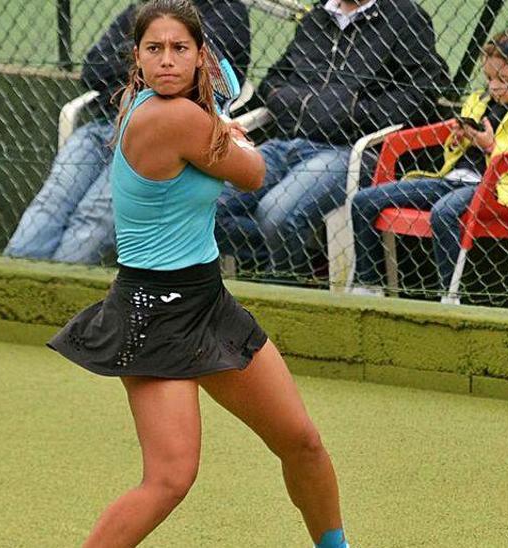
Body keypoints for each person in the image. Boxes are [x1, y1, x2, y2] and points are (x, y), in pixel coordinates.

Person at [46, 2, 349, 547]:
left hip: (207, 301)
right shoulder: (172, 117)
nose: (167, 61)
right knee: (169, 479)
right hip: (153, 314)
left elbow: (217, 148)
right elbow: (253, 173)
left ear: (199, 56)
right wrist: (228, 133)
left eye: (179, 49)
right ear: (136, 61)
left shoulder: (179, 112)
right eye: (154, 50)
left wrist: (218, 128)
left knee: (302, 442)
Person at [5, 0, 250, 265]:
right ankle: (9, 282)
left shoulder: (228, 11)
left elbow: (191, 78)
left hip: (157, 138)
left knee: (94, 214)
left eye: (176, 46)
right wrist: (146, 66)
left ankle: (57, 288)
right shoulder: (144, 7)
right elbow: (93, 69)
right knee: (52, 199)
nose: (164, 56)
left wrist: (146, 58)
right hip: (104, 124)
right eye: (151, 47)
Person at [216, 0, 448, 280]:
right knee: (206, 204)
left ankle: (287, 286)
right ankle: (301, 262)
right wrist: (293, 102)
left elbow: (424, 87)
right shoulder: (317, 18)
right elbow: (274, 80)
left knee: (276, 214)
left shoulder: (404, 17)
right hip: (286, 142)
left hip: (347, 151)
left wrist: (356, 113)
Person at [347, 27, 508, 304]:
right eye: (489, 78)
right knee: (364, 201)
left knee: (443, 213)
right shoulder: (479, 102)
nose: (494, 87)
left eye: (504, 79)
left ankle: (450, 297)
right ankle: (368, 284)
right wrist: (459, 138)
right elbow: (452, 148)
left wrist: (490, 147)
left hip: (496, 191)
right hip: (452, 179)